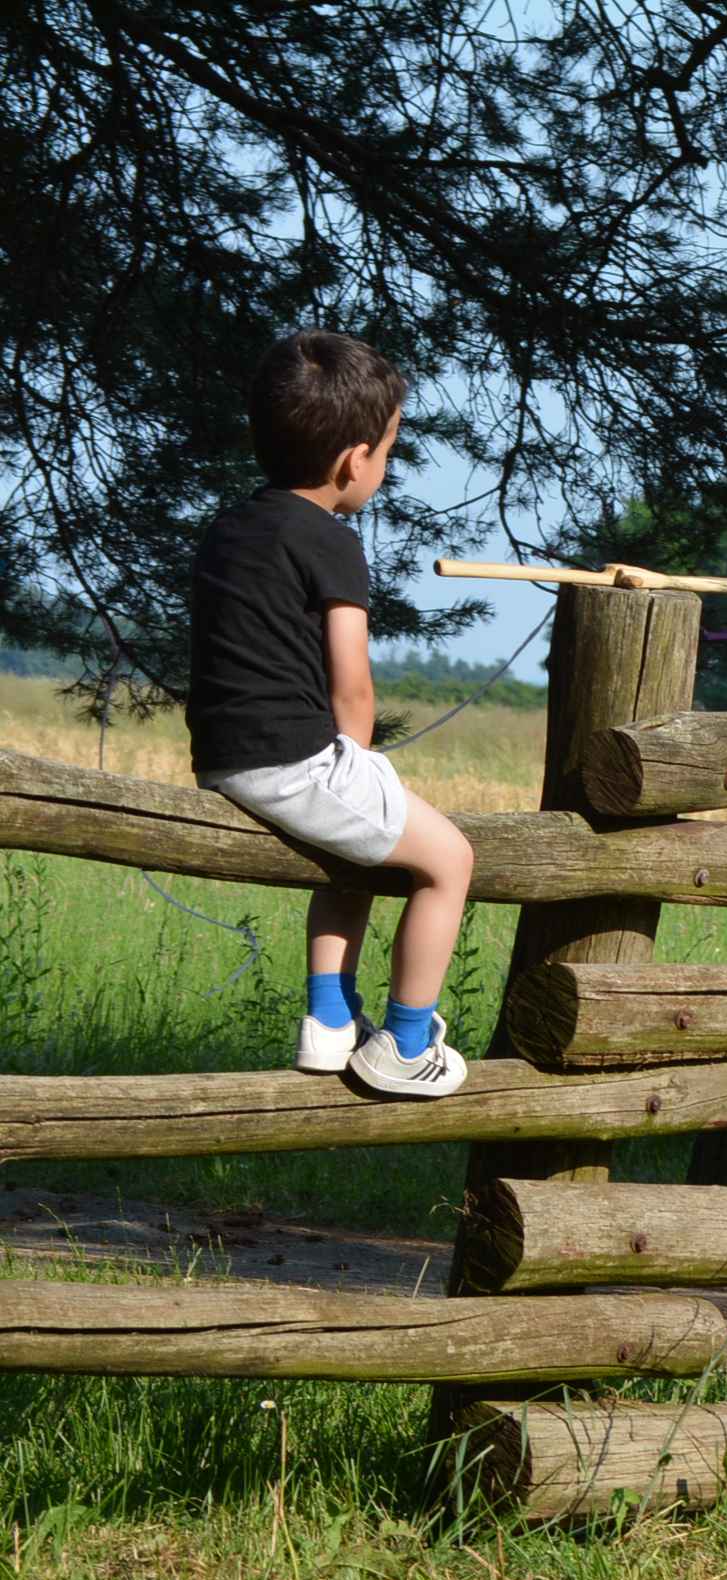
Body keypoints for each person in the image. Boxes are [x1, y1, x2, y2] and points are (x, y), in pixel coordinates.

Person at [188, 330, 477, 1098]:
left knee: (355, 849)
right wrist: (358, 752)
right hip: (294, 757)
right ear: (355, 461)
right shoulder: (333, 542)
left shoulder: (228, 528)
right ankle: (407, 1040)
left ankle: (329, 1018)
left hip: (223, 754)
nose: (382, 466)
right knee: (449, 861)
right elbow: (350, 679)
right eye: (387, 450)